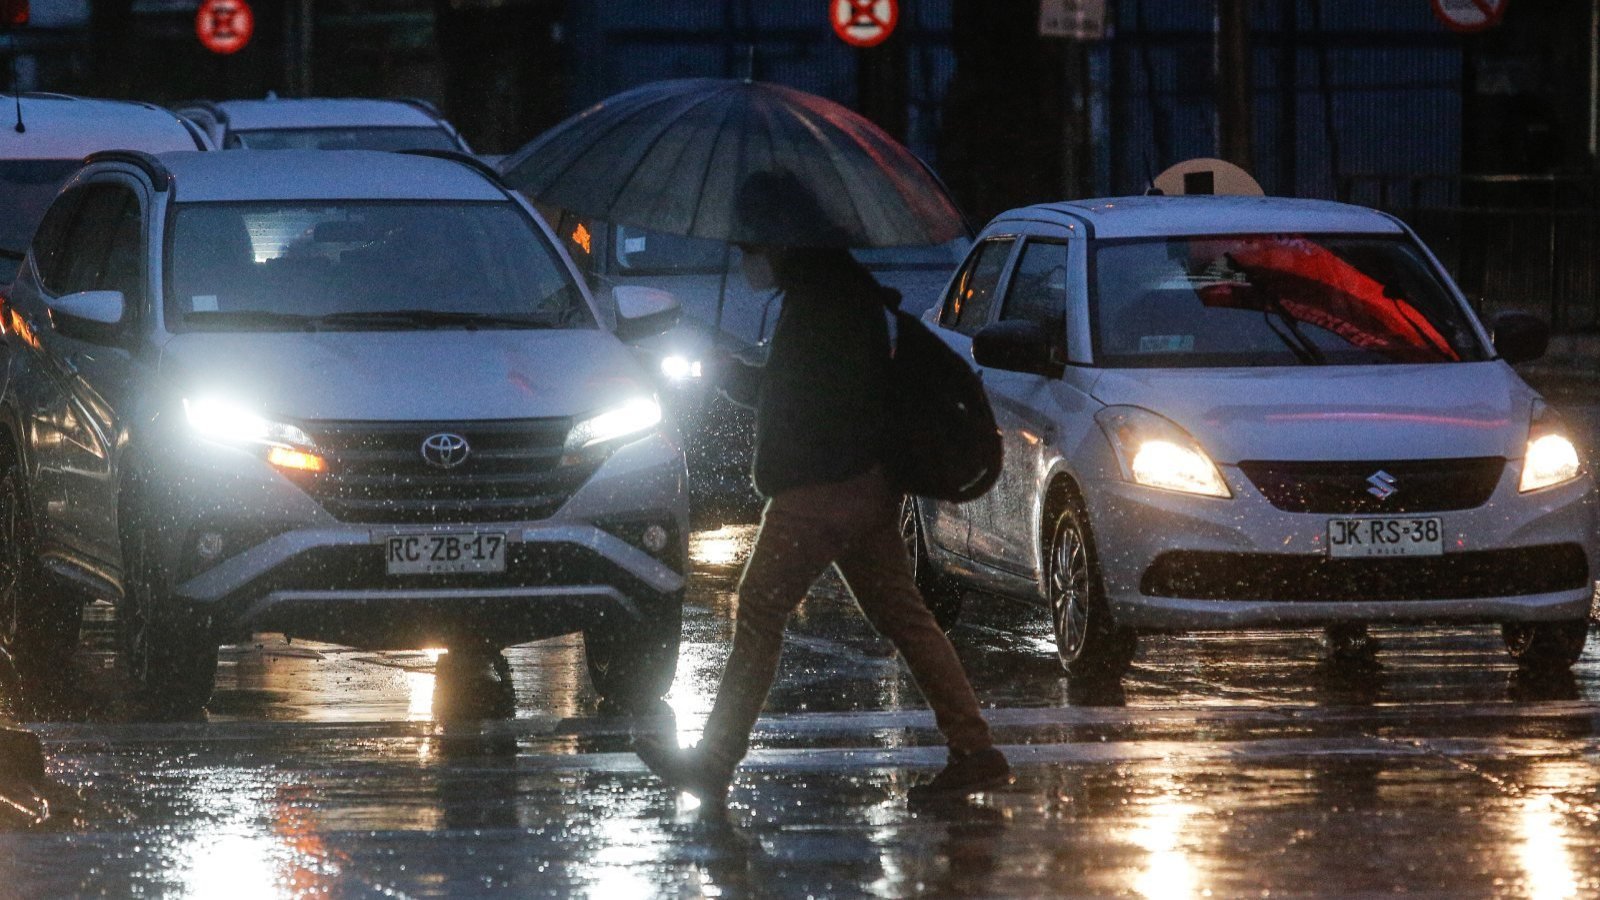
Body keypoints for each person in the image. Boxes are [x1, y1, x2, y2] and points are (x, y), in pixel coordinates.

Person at [634, 170, 1009, 804]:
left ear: (779, 241)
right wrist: (746, 375)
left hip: (819, 490)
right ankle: (974, 748)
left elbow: (806, 402)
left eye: (751, 245)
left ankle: (715, 761)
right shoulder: (845, 296)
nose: (746, 258)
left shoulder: (820, 306)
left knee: (758, 613)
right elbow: (820, 391)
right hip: (864, 488)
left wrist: (735, 375)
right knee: (905, 617)